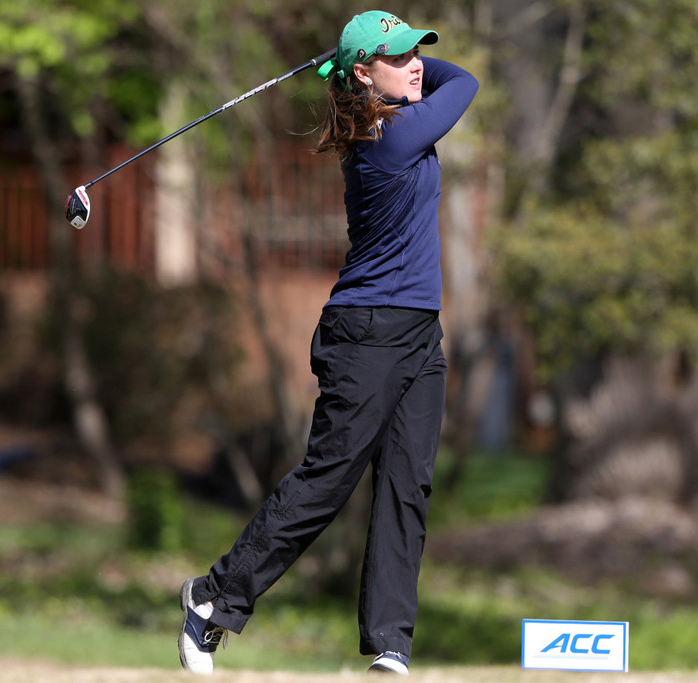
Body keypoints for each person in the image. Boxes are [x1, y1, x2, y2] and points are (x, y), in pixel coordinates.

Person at [178, 10, 478, 676]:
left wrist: (358, 66)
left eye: (415, 53)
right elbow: (467, 82)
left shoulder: (392, 119)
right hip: (368, 333)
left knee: (407, 486)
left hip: (418, 332)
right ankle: (212, 597)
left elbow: (447, 75)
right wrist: (351, 68)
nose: (418, 64)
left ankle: (391, 644)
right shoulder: (390, 138)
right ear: (366, 77)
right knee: (327, 482)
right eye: (400, 57)